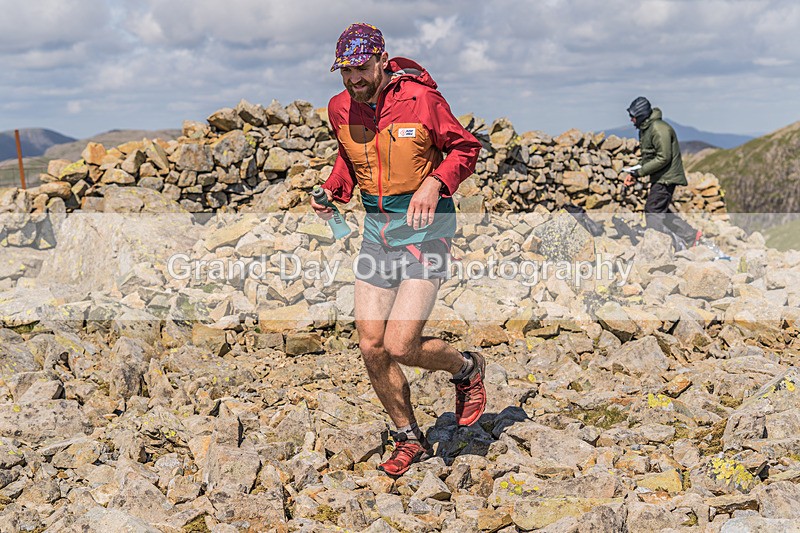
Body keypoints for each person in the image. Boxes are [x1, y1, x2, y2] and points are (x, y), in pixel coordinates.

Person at [310, 23, 486, 476]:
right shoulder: (339, 108)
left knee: (401, 344)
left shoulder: (421, 100)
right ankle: (409, 438)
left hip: (427, 233)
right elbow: (350, 158)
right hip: (378, 235)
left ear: (382, 61)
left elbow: (465, 149)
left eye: (362, 68)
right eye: (345, 71)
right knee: (372, 346)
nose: (354, 79)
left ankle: (466, 369)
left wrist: (436, 182)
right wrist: (332, 190)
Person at [624, 96, 702, 250]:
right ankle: (691, 236)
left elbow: (663, 158)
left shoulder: (659, 129)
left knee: (653, 210)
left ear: (641, 115)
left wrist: (639, 173)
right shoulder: (646, 129)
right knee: (661, 210)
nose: (631, 120)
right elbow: (649, 157)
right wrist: (633, 173)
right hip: (661, 176)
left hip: (667, 177)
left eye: (633, 116)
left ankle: (657, 247)